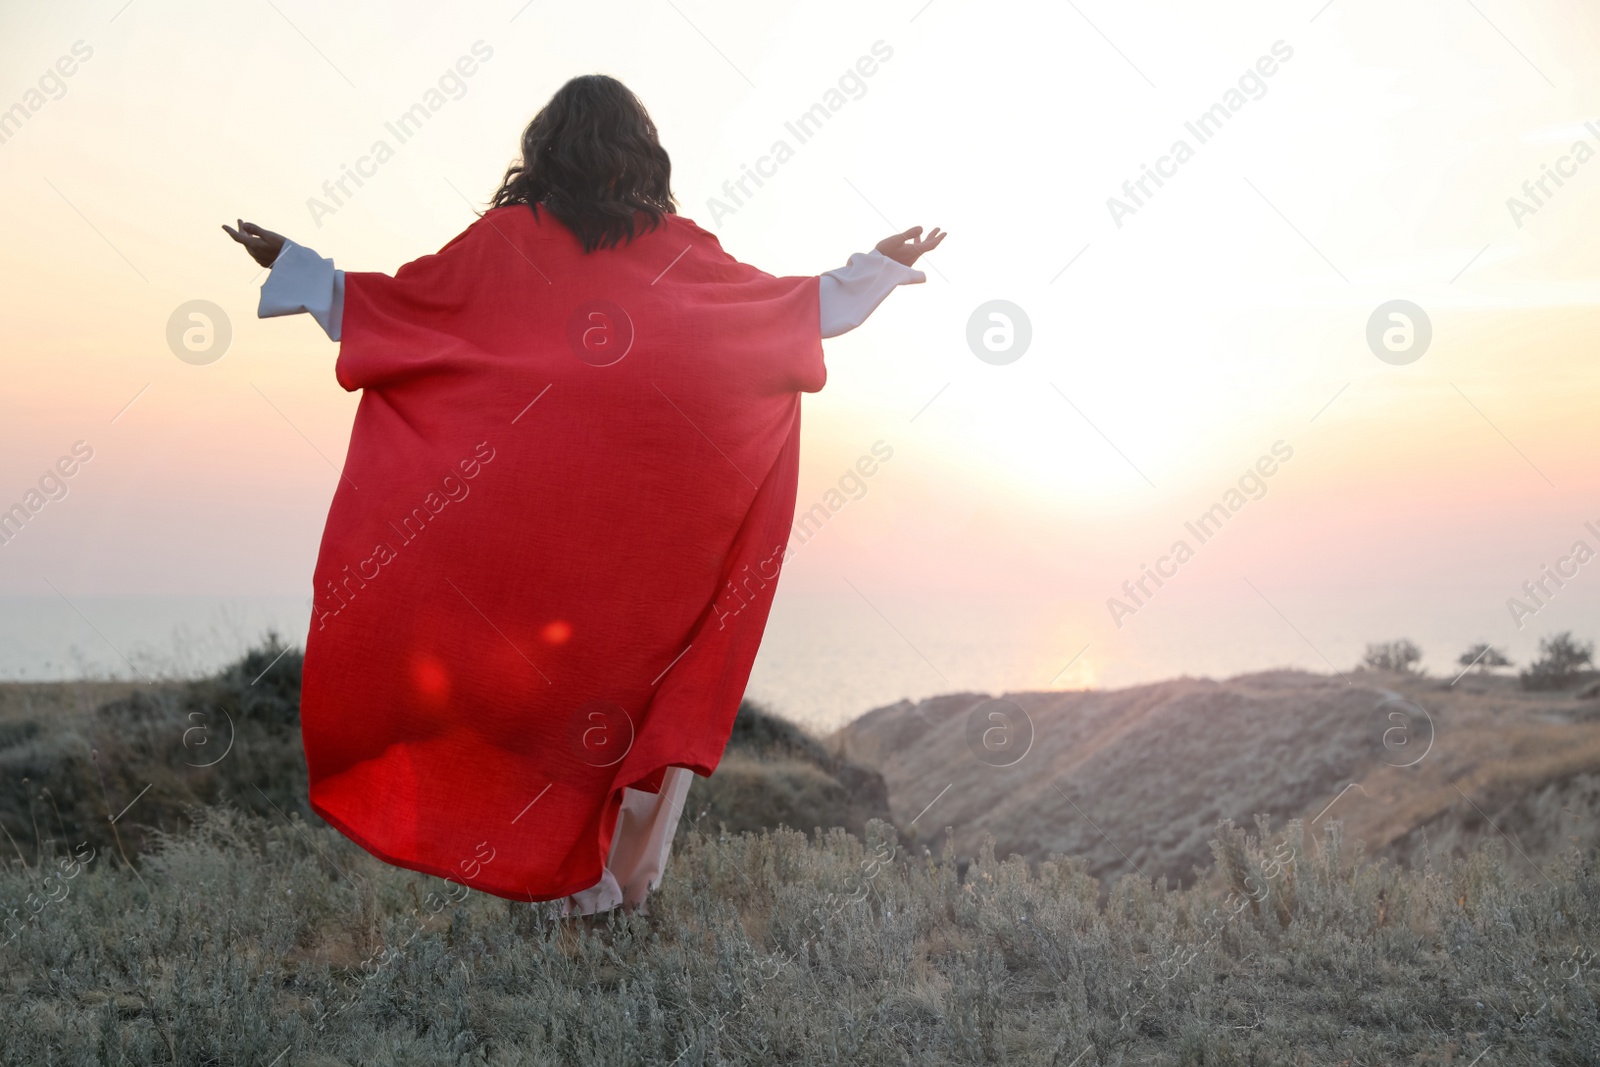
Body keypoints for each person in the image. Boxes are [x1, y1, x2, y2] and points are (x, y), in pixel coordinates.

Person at [224, 74, 944, 917]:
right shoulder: (673, 248)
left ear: (544, 152)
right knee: (632, 715)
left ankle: (560, 890)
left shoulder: (508, 242)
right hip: (638, 571)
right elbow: (785, 310)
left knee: (532, 712)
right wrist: (877, 268)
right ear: (640, 152)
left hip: (513, 556)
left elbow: (399, 308)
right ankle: (607, 895)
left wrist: (299, 267)